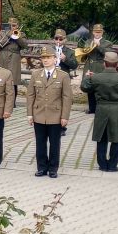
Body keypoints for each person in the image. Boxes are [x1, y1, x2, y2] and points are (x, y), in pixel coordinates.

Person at [26, 48, 71, 178]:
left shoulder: (63, 76)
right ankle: (41, 167)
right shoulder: (36, 74)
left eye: (48, 57)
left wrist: (64, 116)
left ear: (55, 59)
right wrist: (30, 114)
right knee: (40, 143)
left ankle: (53, 168)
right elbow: (30, 95)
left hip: (55, 116)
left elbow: (67, 98)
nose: (45, 60)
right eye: (43, 58)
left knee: (55, 144)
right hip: (39, 114)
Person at [80, 24, 112, 114]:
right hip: (89, 65)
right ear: (93, 32)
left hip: (100, 67)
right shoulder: (88, 41)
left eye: (99, 32)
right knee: (89, 86)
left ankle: (99, 108)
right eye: (95, 32)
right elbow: (84, 56)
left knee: (99, 88)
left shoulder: (107, 43)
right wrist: (83, 53)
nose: (97, 33)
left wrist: (99, 46)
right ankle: (91, 108)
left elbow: (108, 54)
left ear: (102, 32)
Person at [0, 17, 25, 100]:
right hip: (3, 56)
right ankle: (1, 99)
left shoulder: (21, 34)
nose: (12, 27)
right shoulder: (2, 33)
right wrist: (8, 35)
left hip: (14, 57)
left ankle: (13, 102)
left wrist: (17, 37)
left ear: (17, 26)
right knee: (2, 78)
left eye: (14, 25)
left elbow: (24, 45)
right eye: (10, 25)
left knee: (13, 80)